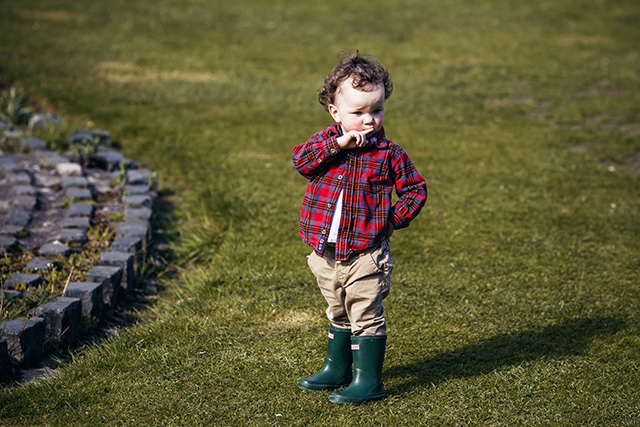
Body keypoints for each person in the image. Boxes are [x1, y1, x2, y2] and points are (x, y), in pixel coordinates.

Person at [292, 51, 428, 404]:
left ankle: (368, 381)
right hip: (325, 252)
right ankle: (336, 368)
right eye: (358, 112)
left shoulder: (388, 154)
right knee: (337, 309)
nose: (369, 120)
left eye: (377, 110)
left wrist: (391, 221)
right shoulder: (325, 145)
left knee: (365, 313)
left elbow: (415, 189)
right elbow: (301, 162)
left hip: (366, 253)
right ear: (335, 112)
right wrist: (337, 144)